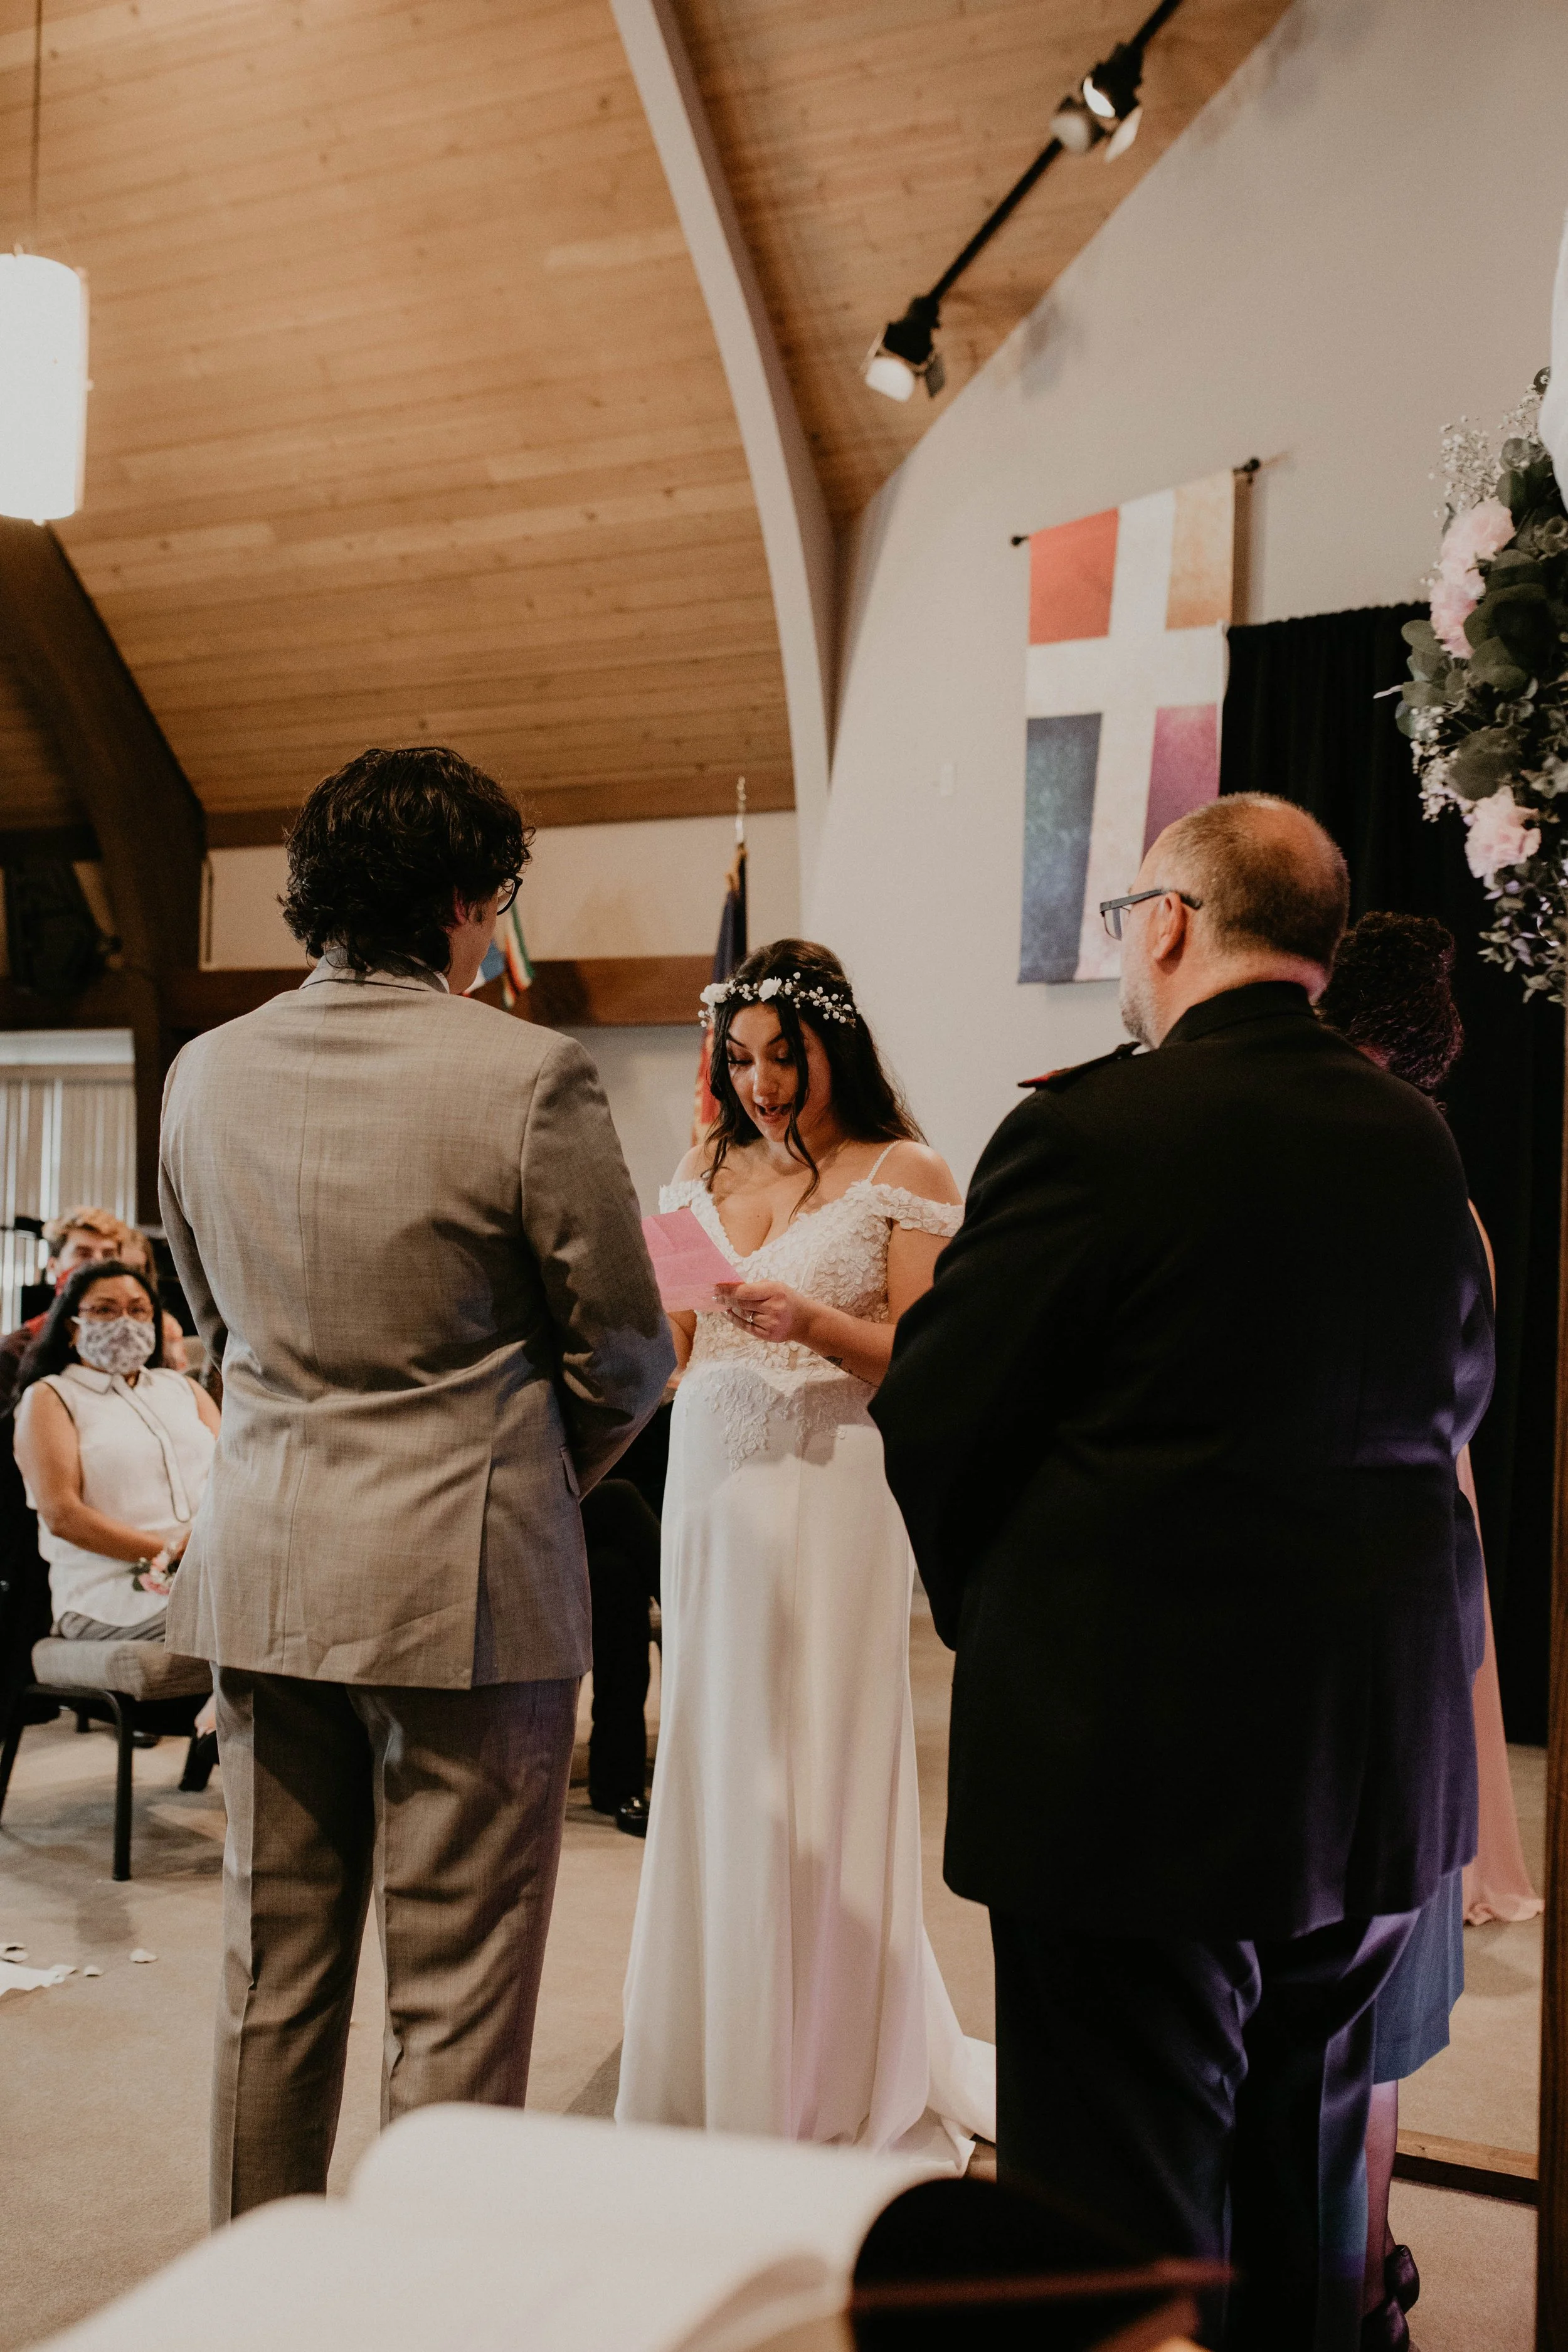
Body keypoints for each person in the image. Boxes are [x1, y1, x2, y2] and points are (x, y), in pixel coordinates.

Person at [872, 797, 1494, 2351]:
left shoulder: (1089, 1131)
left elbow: (943, 1410)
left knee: (1125, 2211)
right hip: (1368, 1763)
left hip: (1135, 1753)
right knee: (1305, 2172)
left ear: (1168, 921)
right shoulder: (1416, 1137)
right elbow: (1452, 1403)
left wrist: (1006, 1612)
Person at [159, 744, 673, 2223]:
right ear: (462, 900)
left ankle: (252, 2294)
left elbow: (214, 1319)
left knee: (274, 1965)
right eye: (498, 897)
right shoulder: (527, 1070)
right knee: (455, 1987)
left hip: (267, 1561)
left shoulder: (205, 1068)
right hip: (470, 1579)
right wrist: (525, 1473)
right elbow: (628, 1350)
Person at [616, 939, 995, 2166]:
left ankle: (826, 2064)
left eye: (786, 1055)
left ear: (838, 1044)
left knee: (815, 1772)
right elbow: (672, 1343)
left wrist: (815, 1321)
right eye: (740, 1059)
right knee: (722, 1768)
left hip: (830, 1493)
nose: (762, 1083)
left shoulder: (904, 1169)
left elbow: (932, 1361)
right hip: (708, 1496)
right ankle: (715, 2050)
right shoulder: (700, 1163)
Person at [1318, 909, 1539, 2352]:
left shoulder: (1358, 1173)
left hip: (1354, 1573)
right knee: (1364, 2008)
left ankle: (1353, 2269)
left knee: (1348, 1994)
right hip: (1408, 1566)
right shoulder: (1440, 1184)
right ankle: (1359, 2269)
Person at [13, 1258, 220, 1643]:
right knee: (248, 1617)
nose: (125, 1321)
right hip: (109, 1593)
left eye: (139, 1310)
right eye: (105, 1310)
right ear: (72, 1327)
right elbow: (63, 1516)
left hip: (214, 1571)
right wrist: (174, 1552)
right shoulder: (51, 1397)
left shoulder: (182, 1389)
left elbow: (234, 1477)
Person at [0, 1208, 150, 1415]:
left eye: (108, 1255)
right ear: (54, 1266)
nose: (97, 1263)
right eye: (83, 1253)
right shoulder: (16, 1351)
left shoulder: (140, 1343)